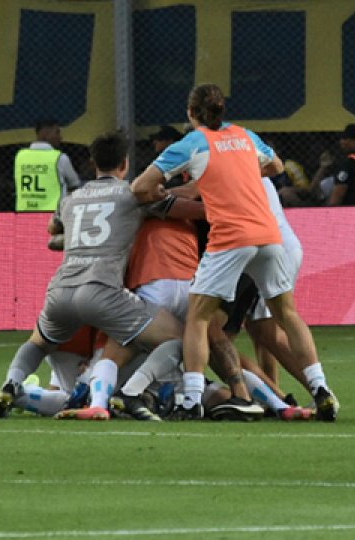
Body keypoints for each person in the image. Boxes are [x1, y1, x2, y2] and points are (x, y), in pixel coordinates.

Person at [132, 83, 339, 421]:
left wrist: (160, 190)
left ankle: (192, 399)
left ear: (190, 113)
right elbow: (277, 166)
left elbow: (140, 186)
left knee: (198, 317)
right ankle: (320, 388)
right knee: (286, 314)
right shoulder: (244, 136)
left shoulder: (192, 143)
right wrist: (238, 170)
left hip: (231, 236)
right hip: (270, 235)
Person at [0, 132, 187, 421]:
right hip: (102, 290)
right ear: (125, 164)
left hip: (61, 289)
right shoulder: (132, 194)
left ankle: (11, 384)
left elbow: (53, 231)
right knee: (178, 337)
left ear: (91, 164)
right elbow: (178, 208)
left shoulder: (71, 199)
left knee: (37, 343)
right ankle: (133, 393)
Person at [14, 118, 82, 211]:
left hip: (25, 215)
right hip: (53, 217)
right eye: (57, 132)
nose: (60, 137)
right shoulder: (59, 158)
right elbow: (74, 185)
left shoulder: (20, 156)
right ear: (45, 134)